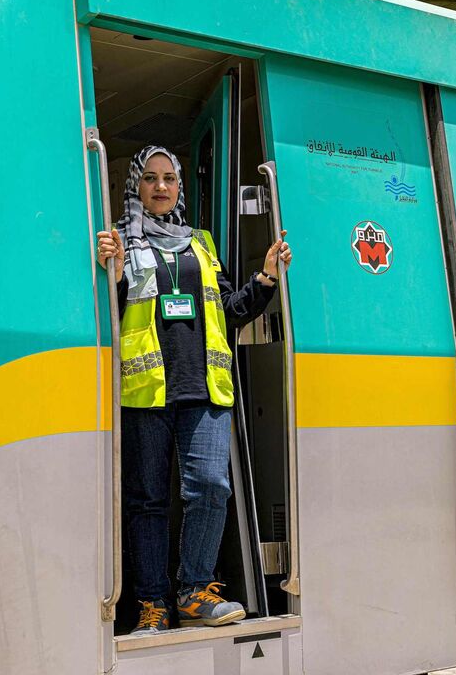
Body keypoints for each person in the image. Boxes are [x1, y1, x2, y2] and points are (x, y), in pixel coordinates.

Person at [96, 145, 292, 635]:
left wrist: (266, 276)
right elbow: (104, 315)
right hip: (145, 390)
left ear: (180, 187)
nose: (161, 186)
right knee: (147, 501)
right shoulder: (117, 241)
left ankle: (194, 591)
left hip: (204, 389)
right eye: (150, 178)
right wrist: (112, 275)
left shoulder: (200, 243)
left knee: (210, 486)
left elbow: (229, 309)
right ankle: (151, 604)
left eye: (169, 178)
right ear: (135, 186)